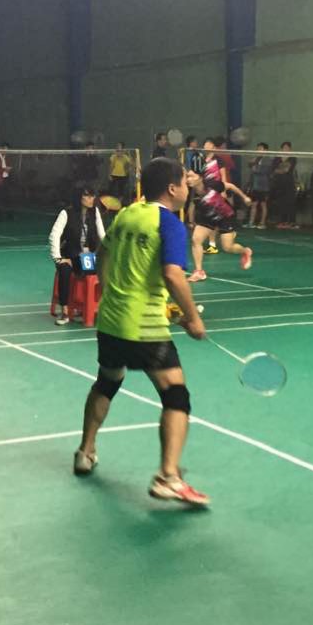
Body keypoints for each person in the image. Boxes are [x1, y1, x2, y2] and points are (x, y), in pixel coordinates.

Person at [74, 157, 209, 506]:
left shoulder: (127, 214)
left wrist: (110, 291)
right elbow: (173, 275)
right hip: (145, 328)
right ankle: (168, 477)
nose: (188, 188)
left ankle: (85, 451)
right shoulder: (171, 224)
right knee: (176, 397)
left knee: (107, 382)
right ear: (172, 189)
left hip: (111, 321)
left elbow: (102, 254)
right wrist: (192, 318)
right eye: (185, 183)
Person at [187, 139, 253, 282]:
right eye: (187, 177)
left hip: (224, 216)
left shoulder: (212, 184)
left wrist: (244, 197)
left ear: (200, 178)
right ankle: (199, 271)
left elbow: (230, 186)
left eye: (191, 176)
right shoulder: (192, 193)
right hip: (207, 216)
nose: (188, 179)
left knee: (227, 247)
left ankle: (245, 251)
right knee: (196, 239)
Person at [49, 186, 107, 325]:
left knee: (106, 271)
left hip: (88, 257)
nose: (91, 199)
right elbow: (54, 235)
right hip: (70, 256)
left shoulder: (95, 212)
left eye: (93, 196)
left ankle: (94, 307)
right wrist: (58, 258)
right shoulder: (66, 213)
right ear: (79, 197)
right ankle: (65, 311)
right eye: (87, 196)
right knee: (64, 270)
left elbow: (103, 235)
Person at [246, 142, 274, 229]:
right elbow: (250, 165)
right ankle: (251, 222)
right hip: (255, 185)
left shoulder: (268, 159)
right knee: (254, 204)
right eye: (257, 148)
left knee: (263, 204)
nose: (258, 150)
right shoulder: (256, 158)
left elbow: (265, 171)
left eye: (260, 148)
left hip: (264, 186)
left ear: (266, 150)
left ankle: (262, 223)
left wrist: (255, 168)